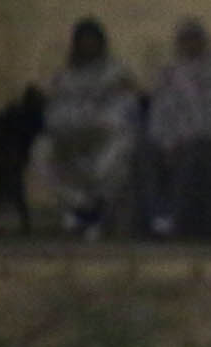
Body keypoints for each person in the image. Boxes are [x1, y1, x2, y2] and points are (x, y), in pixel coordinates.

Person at [145, 18, 211, 240]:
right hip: (172, 142)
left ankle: (179, 222)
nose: (190, 45)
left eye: (194, 40)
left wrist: (188, 138)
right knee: (143, 154)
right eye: (185, 40)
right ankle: (155, 220)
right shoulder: (170, 74)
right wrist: (166, 142)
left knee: (193, 154)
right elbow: (159, 114)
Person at [33, 17, 138, 239]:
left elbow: (125, 111)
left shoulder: (117, 74)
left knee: (120, 146)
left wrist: (92, 127)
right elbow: (53, 115)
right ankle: (83, 207)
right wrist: (71, 132)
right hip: (70, 139)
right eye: (83, 41)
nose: (88, 46)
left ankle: (92, 212)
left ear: (101, 44)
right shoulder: (65, 77)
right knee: (41, 150)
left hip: (104, 137)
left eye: (92, 41)